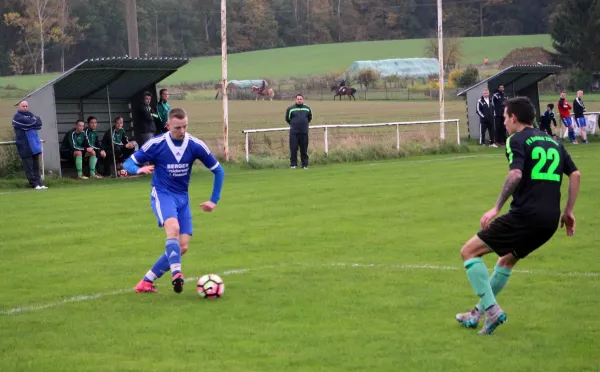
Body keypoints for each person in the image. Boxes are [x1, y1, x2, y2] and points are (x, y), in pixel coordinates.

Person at [455, 97, 580, 335]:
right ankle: (475, 315)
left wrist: (496, 208)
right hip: (549, 221)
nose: (503, 123)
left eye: (504, 118)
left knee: (468, 252)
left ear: (513, 117)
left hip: (525, 215)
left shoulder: (516, 139)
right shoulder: (553, 141)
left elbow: (515, 175)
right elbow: (575, 174)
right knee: (505, 261)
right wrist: (569, 211)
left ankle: (492, 311)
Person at [124, 108, 225, 294]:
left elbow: (219, 171)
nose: (182, 131)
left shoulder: (195, 145)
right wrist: (137, 170)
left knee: (183, 246)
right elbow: (128, 163)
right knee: (173, 229)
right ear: (168, 125)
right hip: (162, 194)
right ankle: (176, 273)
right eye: (178, 127)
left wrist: (214, 200)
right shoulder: (156, 144)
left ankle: (146, 282)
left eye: (185, 126)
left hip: (182, 198)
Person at [11, 100, 46, 189]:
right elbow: (29, 123)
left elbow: (39, 123)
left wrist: (30, 123)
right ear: (19, 107)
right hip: (25, 145)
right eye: (23, 106)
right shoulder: (17, 117)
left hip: (34, 144)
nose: (25, 108)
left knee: (36, 166)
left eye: (26, 106)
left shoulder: (30, 114)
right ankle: (34, 184)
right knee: (29, 167)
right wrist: (32, 122)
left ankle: (40, 183)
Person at [285, 94, 312, 169]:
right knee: (293, 148)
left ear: (303, 100)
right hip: (294, 132)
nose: (299, 100)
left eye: (300, 99)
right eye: (298, 99)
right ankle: (293, 164)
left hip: (304, 132)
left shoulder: (307, 108)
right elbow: (288, 119)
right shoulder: (290, 109)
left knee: (304, 149)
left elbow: (309, 118)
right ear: (296, 100)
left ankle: (305, 164)